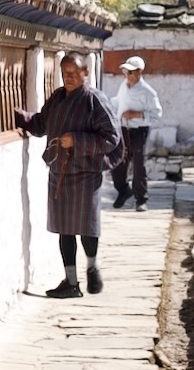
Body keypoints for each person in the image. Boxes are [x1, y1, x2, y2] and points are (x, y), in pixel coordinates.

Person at [15, 52, 123, 299]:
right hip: (60, 175)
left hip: (86, 174)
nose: (69, 77)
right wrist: (19, 118)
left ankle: (92, 268)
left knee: (86, 227)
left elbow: (111, 138)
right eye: (65, 73)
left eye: (74, 73)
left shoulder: (94, 100)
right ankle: (71, 282)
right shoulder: (57, 98)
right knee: (65, 229)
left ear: (85, 73)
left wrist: (77, 140)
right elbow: (41, 123)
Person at [111, 55, 162, 212]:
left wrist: (137, 114)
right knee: (117, 161)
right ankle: (123, 190)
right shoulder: (123, 86)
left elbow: (157, 114)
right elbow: (118, 102)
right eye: (126, 72)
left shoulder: (148, 92)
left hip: (139, 131)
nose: (128, 75)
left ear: (139, 72)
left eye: (131, 72)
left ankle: (141, 199)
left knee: (139, 165)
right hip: (123, 129)